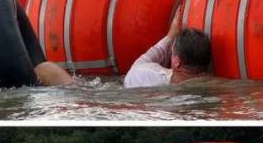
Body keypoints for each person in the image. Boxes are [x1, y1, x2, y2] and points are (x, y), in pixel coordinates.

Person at [33, 7, 212, 88]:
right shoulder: (212, 84)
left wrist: (170, 36)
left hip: (107, 92)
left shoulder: (148, 74)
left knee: (46, 69)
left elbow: (147, 58)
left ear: (176, 62)